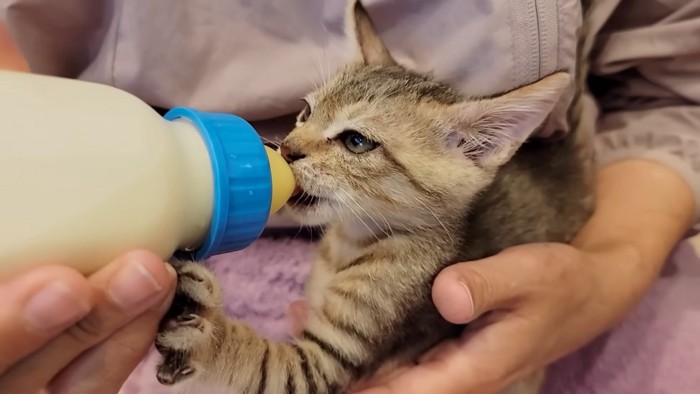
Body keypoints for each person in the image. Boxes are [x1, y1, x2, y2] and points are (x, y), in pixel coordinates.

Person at [1, 1, 698, 393]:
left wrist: (213, 339)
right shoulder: (363, 201)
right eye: (308, 116)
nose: (297, 147)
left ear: (477, 152)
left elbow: (312, 378)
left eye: (354, 143)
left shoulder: (405, 266)